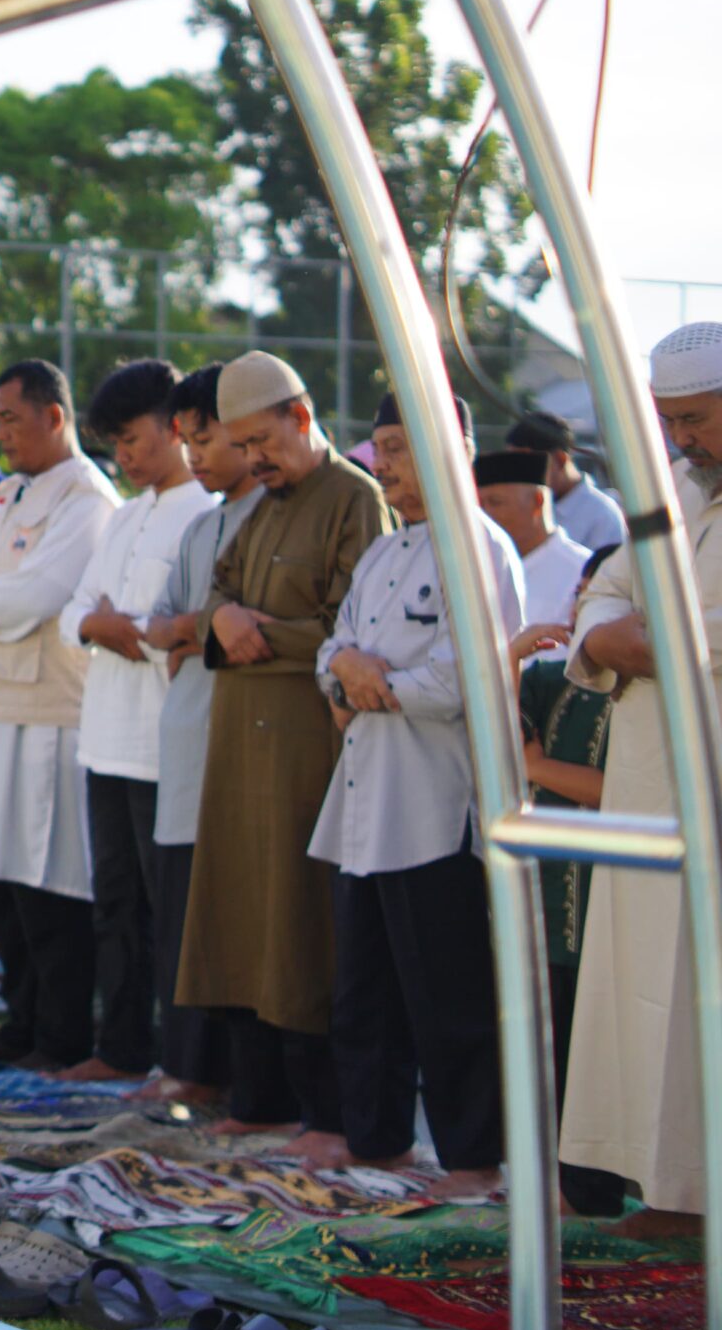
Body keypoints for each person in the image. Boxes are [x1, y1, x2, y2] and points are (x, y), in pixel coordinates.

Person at [181, 351, 391, 1157]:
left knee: (300, 926)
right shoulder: (264, 504)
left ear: (302, 420)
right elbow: (218, 594)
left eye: (263, 441)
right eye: (242, 445)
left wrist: (247, 634)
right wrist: (221, 619)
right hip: (239, 745)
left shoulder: (354, 500)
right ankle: (259, 1099)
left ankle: (326, 1116)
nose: (254, 460)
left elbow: (352, 633)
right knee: (237, 917)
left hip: (306, 748)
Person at [310, 393, 519, 1193]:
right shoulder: (385, 554)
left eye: (397, 447)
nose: (384, 467)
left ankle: (470, 1161)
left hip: (434, 802)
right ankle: (378, 1142)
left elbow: (473, 672)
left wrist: (377, 682)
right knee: (363, 987)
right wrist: (350, 669)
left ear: (451, 443)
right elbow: (336, 644)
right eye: (380, 448)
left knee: (448, 993)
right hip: (365, 797)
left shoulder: (482, 549)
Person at [561, 322, 722, 1238]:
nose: (681, 442)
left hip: (712, 791)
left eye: (695, 420)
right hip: (648, 788)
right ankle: (667, 1194)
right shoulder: (676, 496)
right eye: (671, 422)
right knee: (643, 988)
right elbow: (603, 596)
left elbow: (697, 636)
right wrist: (613, 638)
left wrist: (641, 639)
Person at [0, 360, 118, 1071]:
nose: (1, 432)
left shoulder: (87, 498)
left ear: (54, 417)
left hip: (48, 713)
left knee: (49, 882)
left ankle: (63, 1034)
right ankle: (26, 1023)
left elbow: (42, 592)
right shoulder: (8, 493)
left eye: (11, 419)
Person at [57, 360, 215, 1083]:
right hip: (106, 739)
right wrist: (108, 625)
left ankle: (182, 1060)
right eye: (113, 442)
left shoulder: (203, 515)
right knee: (114, 902)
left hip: (164, 746)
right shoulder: (124, 515)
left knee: (172, 910)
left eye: (132, 436)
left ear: (175, 425)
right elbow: (73, 614)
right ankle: (120, 1046)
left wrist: (121, 627)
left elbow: (178, 635)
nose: (123, 455)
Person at [140, 364, 262, 1107]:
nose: (196, 457)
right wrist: (201, 626)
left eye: (207, 438)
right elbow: (162, 624)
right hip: (186, 736)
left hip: (242, 740)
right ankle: (188, 1065)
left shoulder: (277, 515)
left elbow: (236, 624)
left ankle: (233, 1080)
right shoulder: (199, 527)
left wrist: (200, 626)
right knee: (181, 912)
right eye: (188, 440)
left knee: (235, 915)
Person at [514, 545, 629, 1217]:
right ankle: (557, 1186)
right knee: (548, 1043)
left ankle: (601, 1192)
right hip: (550, 892)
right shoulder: (549, 680)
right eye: (583, 598)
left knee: (605, 1049)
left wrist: (540, 769)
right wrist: (508, 657)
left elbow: (627, 794)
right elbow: (492, 743)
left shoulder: (649, 694)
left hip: (615, 898)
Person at [474, 448, 588, 631]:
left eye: (495, 502)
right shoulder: (479, 566)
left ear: (538, 501)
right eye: (480, 505)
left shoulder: (582, 571)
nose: (485, 516)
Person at [508, 410, 624, 553]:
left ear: (560, 460)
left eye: (527, 465)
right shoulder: (522, 510)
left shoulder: (601, 515)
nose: (519, 475)